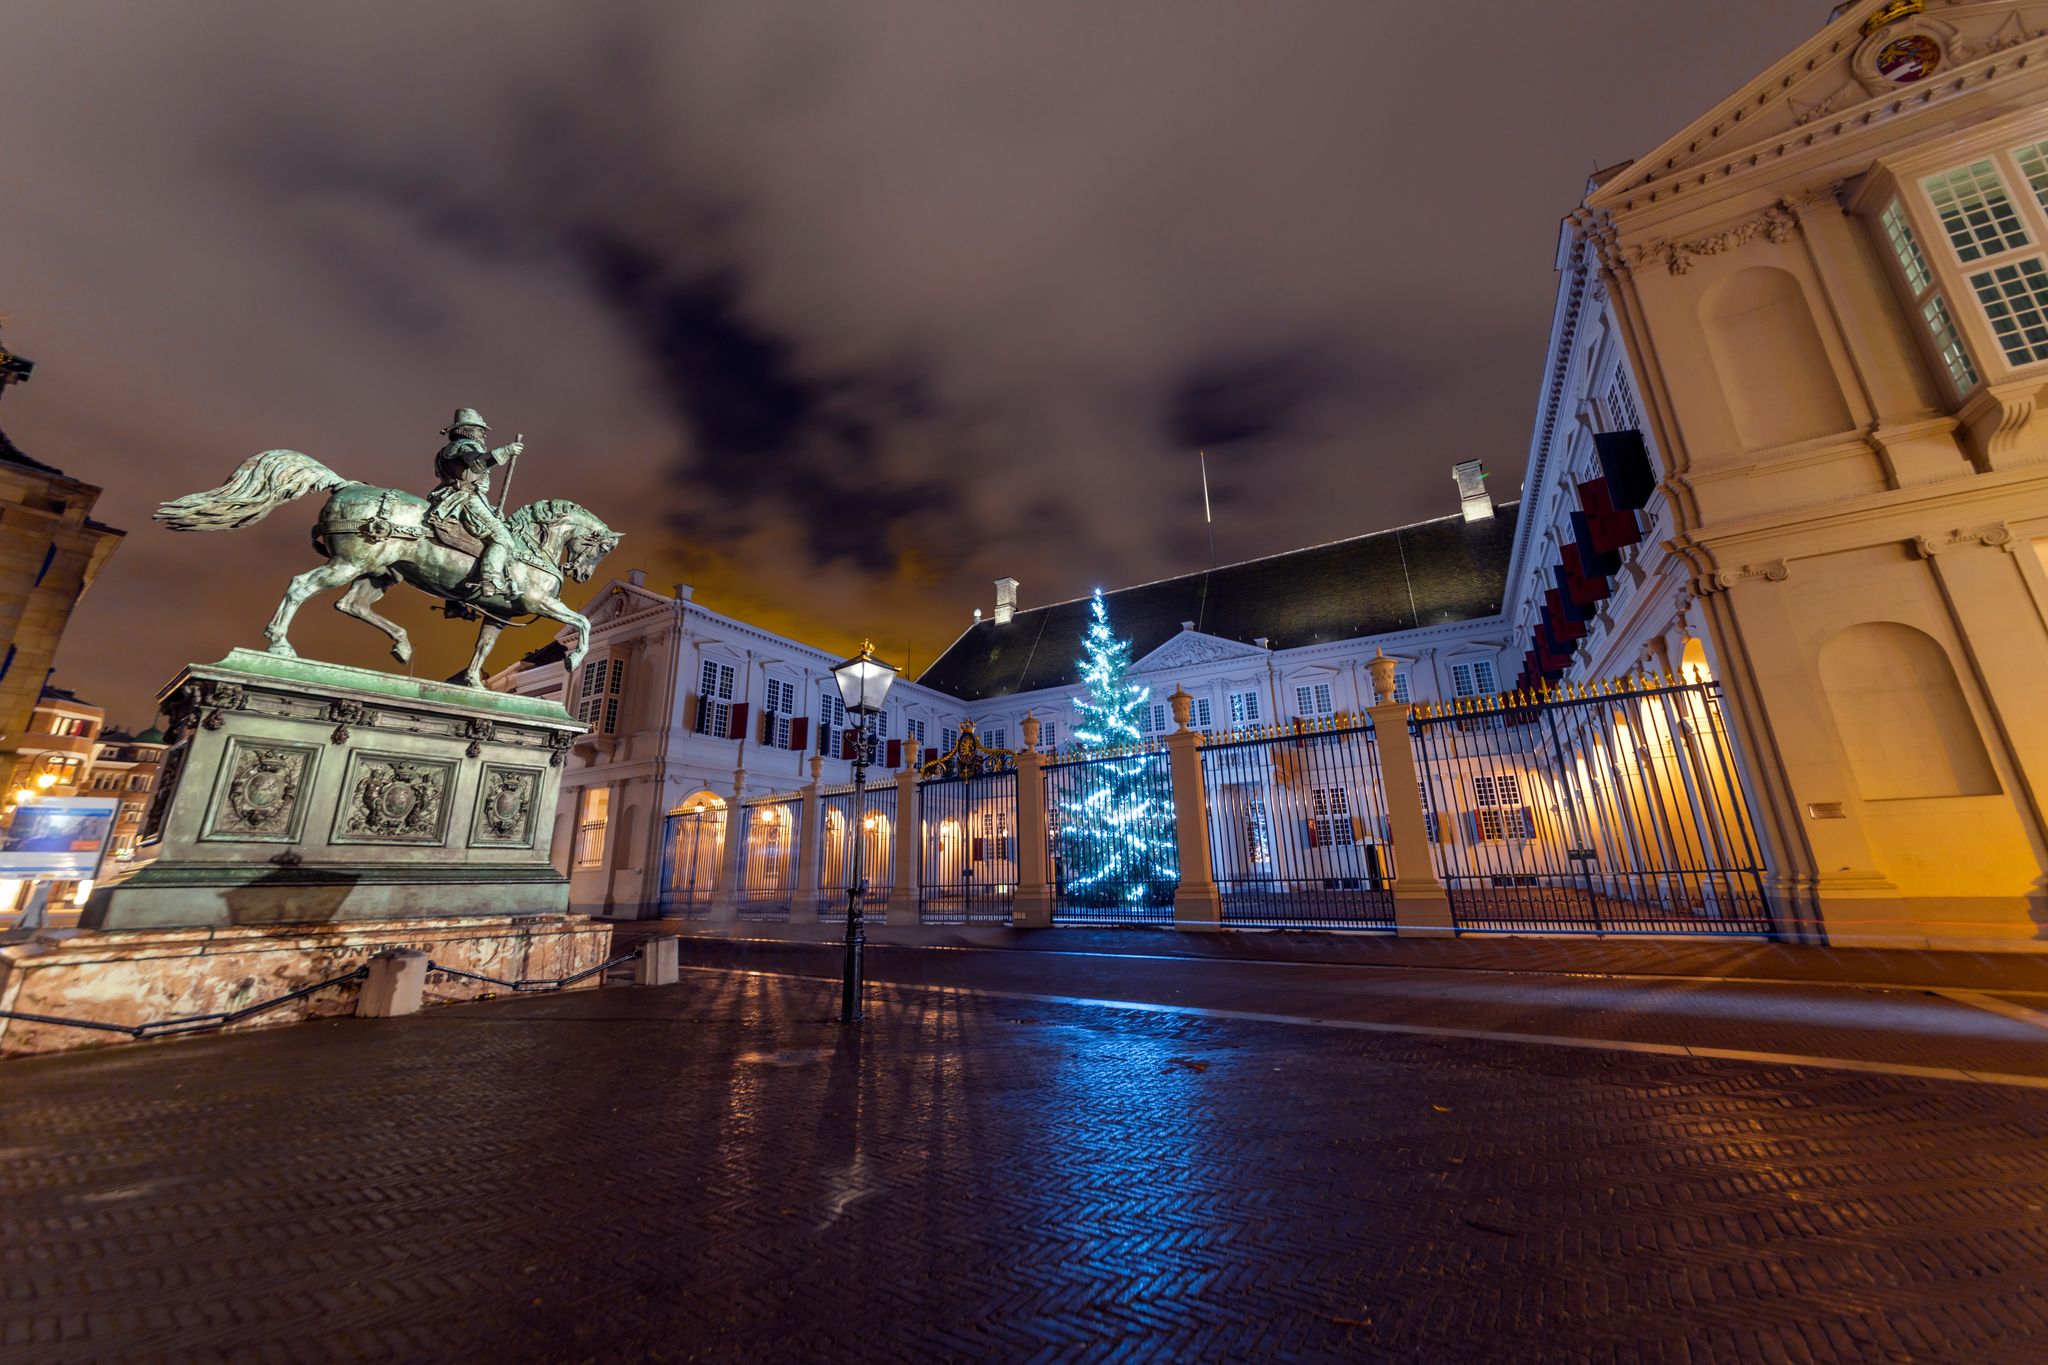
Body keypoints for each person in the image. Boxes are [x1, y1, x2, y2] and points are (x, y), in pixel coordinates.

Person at [429, 408, 526, 599]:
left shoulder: (446, 450)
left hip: (453, 495)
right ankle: (490, 580)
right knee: (503, 538)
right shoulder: (466, 444)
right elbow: (476, 464)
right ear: (468, 430)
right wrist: (506, 450)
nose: (483, 434)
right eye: (480, 429)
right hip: (465, 497)